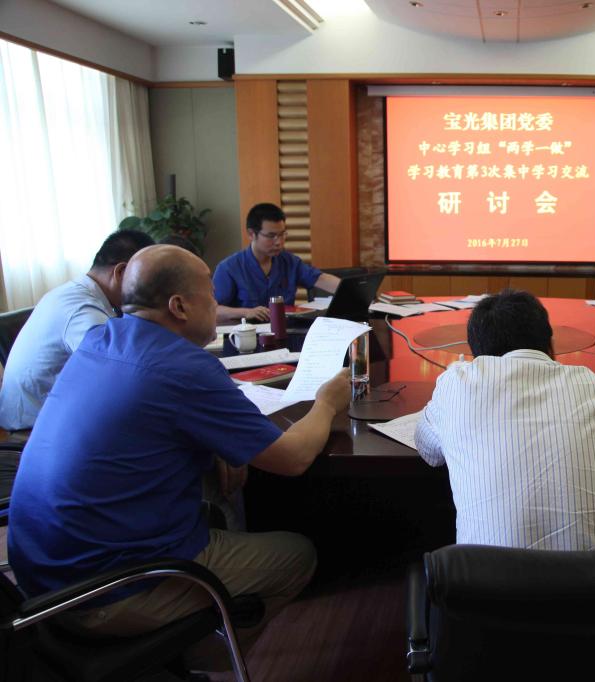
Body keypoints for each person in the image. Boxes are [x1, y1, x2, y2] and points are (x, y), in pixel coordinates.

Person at [7, 244, 351, 672]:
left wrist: (218, 445)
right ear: (179, 306)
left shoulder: (101, 338)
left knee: (216, 485)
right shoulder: (184, 367)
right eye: (211, 294)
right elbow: (294, 458)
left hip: (37, 575)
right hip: (104, 593)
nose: (217, 304)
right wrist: (326, 402)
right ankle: (191, 659)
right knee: (296, 554)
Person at [414, 289, 595, 550]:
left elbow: (428, 450)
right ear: (551, 345)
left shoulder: (456, 386)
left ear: (477, 356)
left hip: (488, 584)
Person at [0, 229, 154, 432]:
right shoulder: (82, 310)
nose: (147, 293)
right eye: (147, 283)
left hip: (41, 410)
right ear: (121, 272)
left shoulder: (76, 293)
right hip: (33, 426)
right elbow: (117, 372)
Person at [212, 202, 341, 323]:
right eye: (271, 236)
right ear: (251, 234)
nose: (278, 242)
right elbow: (213, 310)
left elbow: (321, 279)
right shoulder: (228, 268)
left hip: (285, 331)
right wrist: (246, 312)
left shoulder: (289, 262)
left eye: (282, 234)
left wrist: (348, 290)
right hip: (247, 333)